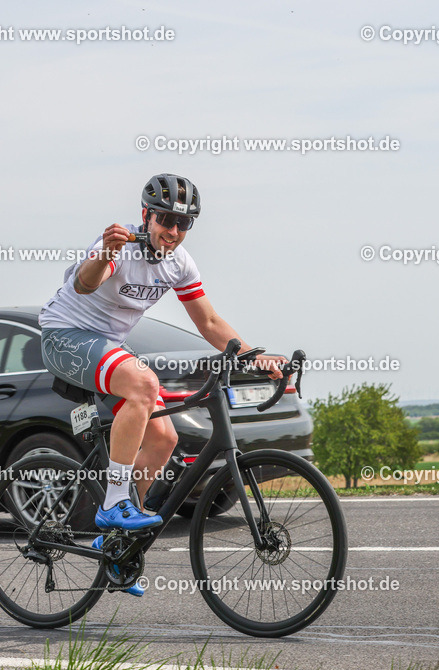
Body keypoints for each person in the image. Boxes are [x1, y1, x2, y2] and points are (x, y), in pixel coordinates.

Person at [38, 173, 285, 595]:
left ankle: (114, 542)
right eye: (166, 220)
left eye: (183, 224)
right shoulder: (120, 244)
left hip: (108, 345)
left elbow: (207, 321)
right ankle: (115, 504)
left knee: (165, 438)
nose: (173, 231)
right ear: (146, 216)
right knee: (143, 383)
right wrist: (104, 253)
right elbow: (84, 283)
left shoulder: (179, 263)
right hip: (64, 337)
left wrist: (252, 356)